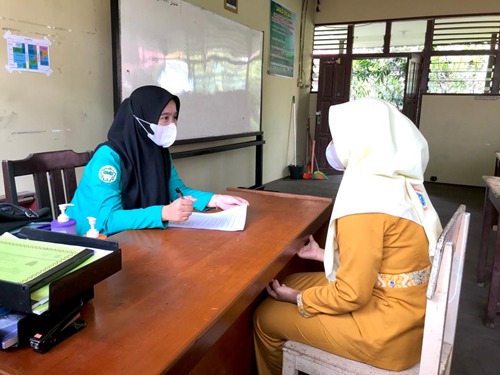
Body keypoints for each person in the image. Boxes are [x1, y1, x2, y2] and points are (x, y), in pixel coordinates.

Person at [253, 97, 442, 374]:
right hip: (411, 315)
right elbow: (387, 255)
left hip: (387, 334)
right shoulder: (404, 184)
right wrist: (323, 255)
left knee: (266, 316)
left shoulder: (366, 201)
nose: (333, 145)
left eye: (339, 137)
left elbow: (352, 294)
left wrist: (297, 299)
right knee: (292, 279)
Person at [67, 85, 248, 236]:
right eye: (164, 118)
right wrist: (163, 212)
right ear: (141, 120)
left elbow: (178, 191)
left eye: (175, 117)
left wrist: (216, 200)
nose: (172, 125)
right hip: (91, 238)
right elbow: (108, 219)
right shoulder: (108, 158)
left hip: (134, 234)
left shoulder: (159, 151)